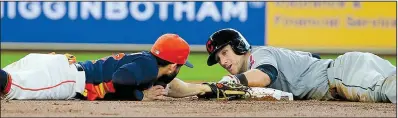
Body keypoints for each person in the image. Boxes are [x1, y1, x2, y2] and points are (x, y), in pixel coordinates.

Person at [164, 28, 396, 103]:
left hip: (344, 74)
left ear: (239, 45)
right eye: (218, 59)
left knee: (387, 90)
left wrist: (230, 82)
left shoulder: (260, 55)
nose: (223, 61)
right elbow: (311, 58)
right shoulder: (261, 57)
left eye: (225, 52)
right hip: (346, 69)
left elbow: (266, 75)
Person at [0, 33, 193, 101]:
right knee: (11, 86)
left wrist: (204, 88)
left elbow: (172, 86)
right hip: (66, 79)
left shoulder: (145, 61)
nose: (178, 71)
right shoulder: (149, 68)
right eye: (180, 67)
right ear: (172, 67)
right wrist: (141, 97)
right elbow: (120, 79)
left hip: (59, 66)